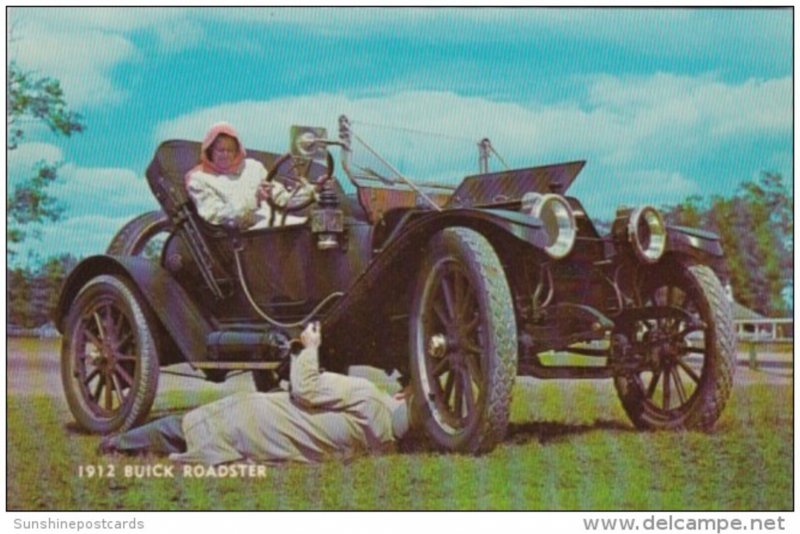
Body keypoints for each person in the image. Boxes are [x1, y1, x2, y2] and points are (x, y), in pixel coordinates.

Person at [99, 323, 414, 465]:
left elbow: (304, 388)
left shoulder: (368, 397)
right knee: (190, 431)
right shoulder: (385, 445)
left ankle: (115, 444)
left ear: (401, 397)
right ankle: (122, 445)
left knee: (183, 426)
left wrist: (311, 348)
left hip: (256, 420)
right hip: (268, 446)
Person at [185, 122, 308, 230]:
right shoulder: (198, 179)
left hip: (276, 223)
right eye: (221, 150)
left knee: (312, 225)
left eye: (231, 150)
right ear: (210, 150)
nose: (226, 154)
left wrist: (311, 192)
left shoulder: (253, 167)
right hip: (246, 235)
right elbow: (216, 215)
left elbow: (282, 199)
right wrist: (255, 200)